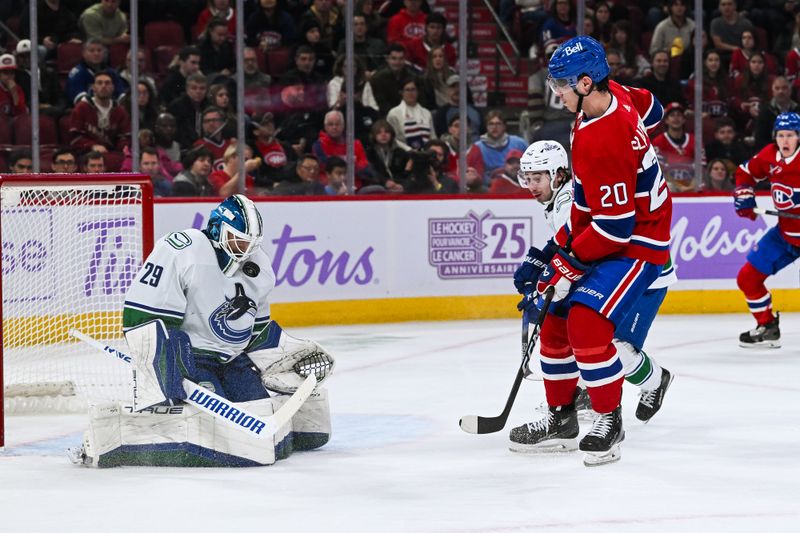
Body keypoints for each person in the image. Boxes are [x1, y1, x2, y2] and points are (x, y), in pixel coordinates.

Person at [71, 194, 332, 467]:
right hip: (192, 359)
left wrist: (281, 351)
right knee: (213, 426)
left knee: (258, 411)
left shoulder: (259, 266)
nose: (245, 250)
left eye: (251, 244)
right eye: (238, 240)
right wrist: (167, 364)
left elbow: (256, 329)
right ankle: (126, 430)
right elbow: (142, 315)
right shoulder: (185, 249)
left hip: (232, 360)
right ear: (218, 230)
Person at [508, 36, 673, 467]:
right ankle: (561, 419)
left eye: (561, 85)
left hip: (640, 241)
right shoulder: (609, 96)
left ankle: (608, 419)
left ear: (585, 82)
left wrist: (563, 262)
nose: (555, 93)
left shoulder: (606, 139)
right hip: (615, 228)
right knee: (557, 319)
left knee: (586, 322)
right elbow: (654, 107)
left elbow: (615, 230)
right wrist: (553, 251)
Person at [515, 139, 676, 426]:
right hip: (617, 269)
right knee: (581, 332)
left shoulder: (569, 200)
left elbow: (591, 244)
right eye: (527, 178)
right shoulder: (561, 198)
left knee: (611, 344)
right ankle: (587, 394)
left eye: (537, 178)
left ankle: (654, 381)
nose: (531, 185)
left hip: (646, 276)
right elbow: (568, 240)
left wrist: (550, 276)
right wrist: (540, 261)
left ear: (559, 174)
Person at [733, 112, 800, 348]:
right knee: (747, 278)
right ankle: (768, 327)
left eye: (790, 135)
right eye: (781, 135)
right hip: (785, 235)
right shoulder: (770, 155)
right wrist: (745, 194)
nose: (785, 141)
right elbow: (746, 173)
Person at [69, 70, 131, 154]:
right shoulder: (81, 108)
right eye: (99, 83)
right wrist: (92, 146)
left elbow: (124, 137)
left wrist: (123, 147)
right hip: (87, 154)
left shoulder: (120, 111)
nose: (103, 86)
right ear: (93, 87)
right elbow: (75, 138)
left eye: (107, 83)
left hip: (113, 154)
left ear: (113, 87)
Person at [466, 110, 527, 184]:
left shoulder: (519, 143)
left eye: (498, 124)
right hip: (488, 188)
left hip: (516, 184)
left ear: (504, 126)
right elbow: (473, 173)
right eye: (491, 124)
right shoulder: (477, 147)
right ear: (486, 127)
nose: (494, 127)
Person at [652, 102, 702, 192]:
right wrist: (680, 187)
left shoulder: (695, 141)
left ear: (684, 120)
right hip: (670, 183)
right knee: (668, 186)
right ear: (666, 120)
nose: (676, 118)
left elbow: (701, 166)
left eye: (679, 115)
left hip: (691, 182)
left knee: (701, 184)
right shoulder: (658, 141)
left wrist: (691, 186)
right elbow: (660, 169)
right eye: (672, 115)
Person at [386, 78, 435, 151]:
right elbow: (392, 138)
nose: (410, 93)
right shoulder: (394, 113)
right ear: (401, 92)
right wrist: (409, 150)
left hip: (426, 153)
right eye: (407, 90)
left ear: (418, 92)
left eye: (413, 89)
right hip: (403, 153)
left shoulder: (426, 113)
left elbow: (433, 136)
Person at [0, 54, 27, 118]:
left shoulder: (18, 89)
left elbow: (22, 114)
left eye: (12, 73)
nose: (9, 76)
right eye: (5, 73)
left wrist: (14, 93)